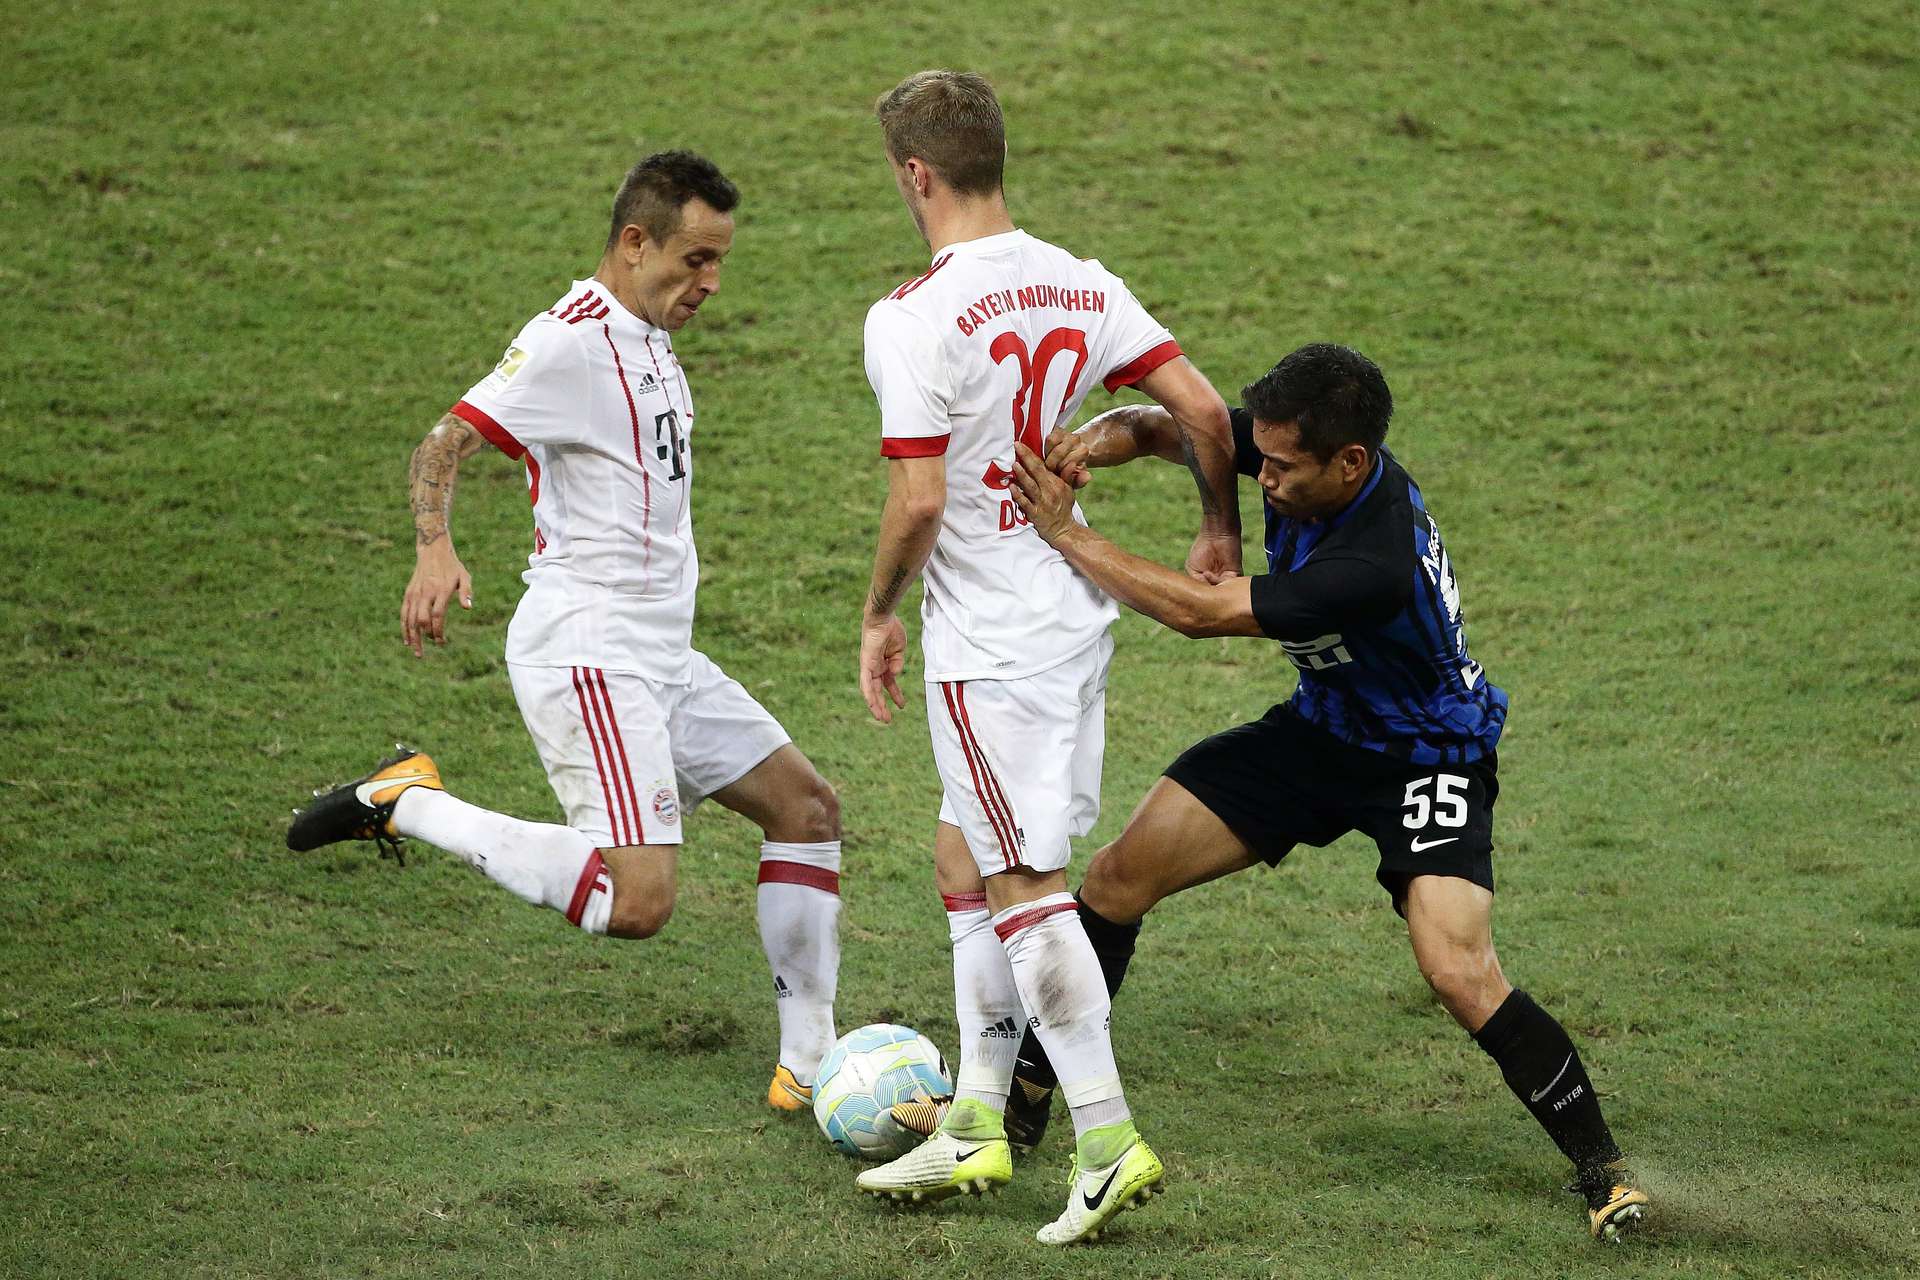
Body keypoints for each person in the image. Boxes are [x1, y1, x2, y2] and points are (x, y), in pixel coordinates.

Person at [1003, 342, 1650, 1243]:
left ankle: (1604, 1171)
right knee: (1116, 879)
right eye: (1259, 457)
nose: (1262, 478)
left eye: (1281, 466)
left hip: (1427, 757)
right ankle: (1021, 1103)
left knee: (1458, 970)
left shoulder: (1374, 563)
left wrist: (1067, 532)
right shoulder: (1294, 450)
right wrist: (1088, 445)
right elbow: (1162, 427)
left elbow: (1200, 612)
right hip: (1321, 732)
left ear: (1350, 461)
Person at [287, 151, 844, 1115]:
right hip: (590, 651)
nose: (712, 283)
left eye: (721, 261)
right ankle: (407, 802)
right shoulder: (567, 342)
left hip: (660, 655)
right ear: (634, 242)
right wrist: (434, 549)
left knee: (807, 810)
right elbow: (442, 442)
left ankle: (810, 1064)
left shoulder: (650, 334)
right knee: (638, 902)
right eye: (697, 259)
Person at [853, 70, 1243, 1246]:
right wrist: (1220, 531)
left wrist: (878, 612)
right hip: (1074, 624)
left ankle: (1107, 1137)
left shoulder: (912, 315)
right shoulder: (1082, 279)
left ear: (914, 173)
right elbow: (1206, 414)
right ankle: (976, 1116)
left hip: (990, 645)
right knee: (961, 850)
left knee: (1024, 886)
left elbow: (920, 501)